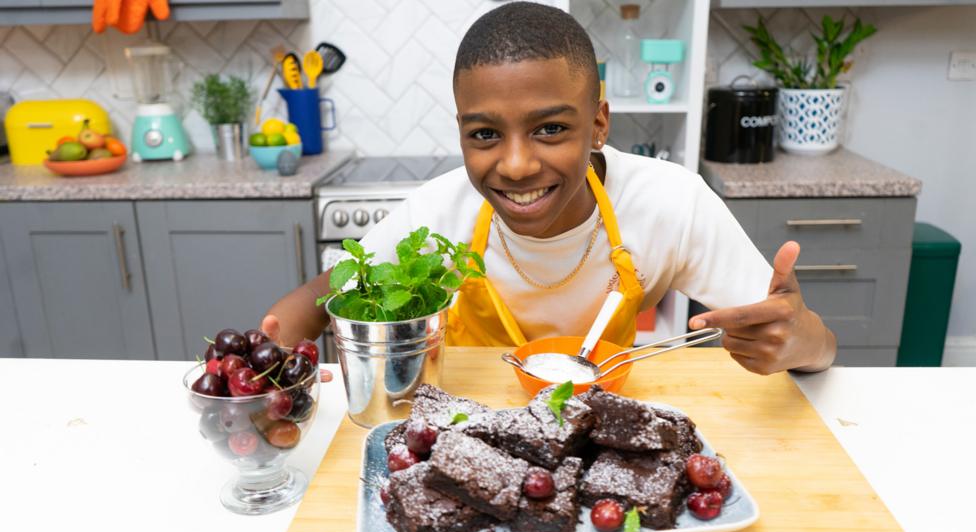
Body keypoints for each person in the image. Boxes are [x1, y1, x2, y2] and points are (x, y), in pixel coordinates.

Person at [262, 2, 835, 377]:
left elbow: (811, 344)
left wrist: (800, 341)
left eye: (551, 129)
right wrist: (270, 358)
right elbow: (322, 293)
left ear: (600, 125)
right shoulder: (438, 212)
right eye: (485, 133)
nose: (514, 165)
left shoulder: (671, 204)